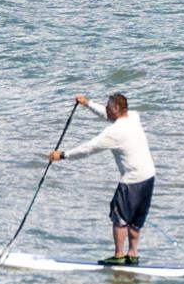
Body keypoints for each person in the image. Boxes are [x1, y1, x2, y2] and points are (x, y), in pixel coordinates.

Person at [51, 92, 155, 264]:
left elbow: (89, 148)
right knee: (136, 219)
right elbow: (107, 115)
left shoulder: (114, 132)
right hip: (149, 175)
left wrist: (63, 155)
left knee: (119, 217)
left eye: (108, 106)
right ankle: (133, 254)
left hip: (132, 179)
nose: (106, 108)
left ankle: (119, 256)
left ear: (116, 108)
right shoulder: (134, 116)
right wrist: (88, 104)